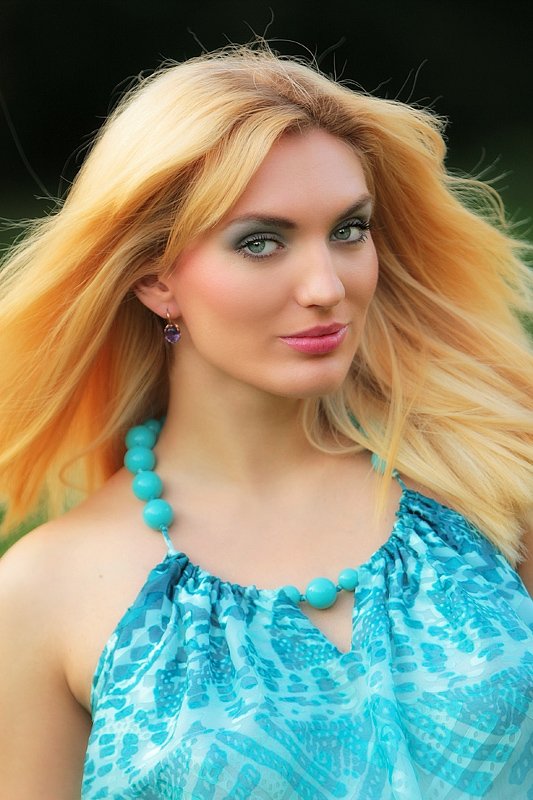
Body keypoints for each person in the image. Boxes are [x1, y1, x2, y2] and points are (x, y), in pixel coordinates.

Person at [0, 43, 532, 800]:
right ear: (155, 279)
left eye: (349, 230)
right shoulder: (42, 593)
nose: (325, 286)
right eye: (260, 242)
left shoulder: (492, 484)